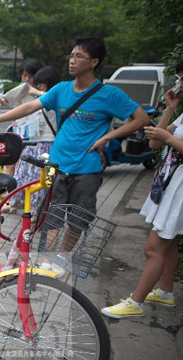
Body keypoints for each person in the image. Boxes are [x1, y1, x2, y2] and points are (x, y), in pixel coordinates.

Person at [0, 37, 149, 272]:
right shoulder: (61, 89)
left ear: (94, 62)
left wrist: (108, 137)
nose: (73, 60)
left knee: (79, 218)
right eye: (72, 55)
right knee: (53, 215)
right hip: (57, 164)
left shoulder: (109, 94)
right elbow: (30, 106)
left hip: (88, 167)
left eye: (80, 56)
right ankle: (48, 262)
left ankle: (62, 257)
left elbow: (141, 119)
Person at [101, 59, 183, 319]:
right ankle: (166, 292)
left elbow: (166, 139)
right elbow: (153, 144)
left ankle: (135, 302)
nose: (181, 84)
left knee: (154, 247)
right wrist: (169, 110)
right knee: (169, 243)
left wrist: (169, 138)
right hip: (170, 184)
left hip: (180, 190)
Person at [7, 66, 61, 211]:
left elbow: (53, 100)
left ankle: (36, 211)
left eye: (40, 83)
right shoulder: (40, 97)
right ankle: (15, 203)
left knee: (39, 179)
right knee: (22, 174)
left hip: (47, 144)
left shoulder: (55, 97)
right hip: (33, 141)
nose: (38, 86)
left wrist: (37, 92)